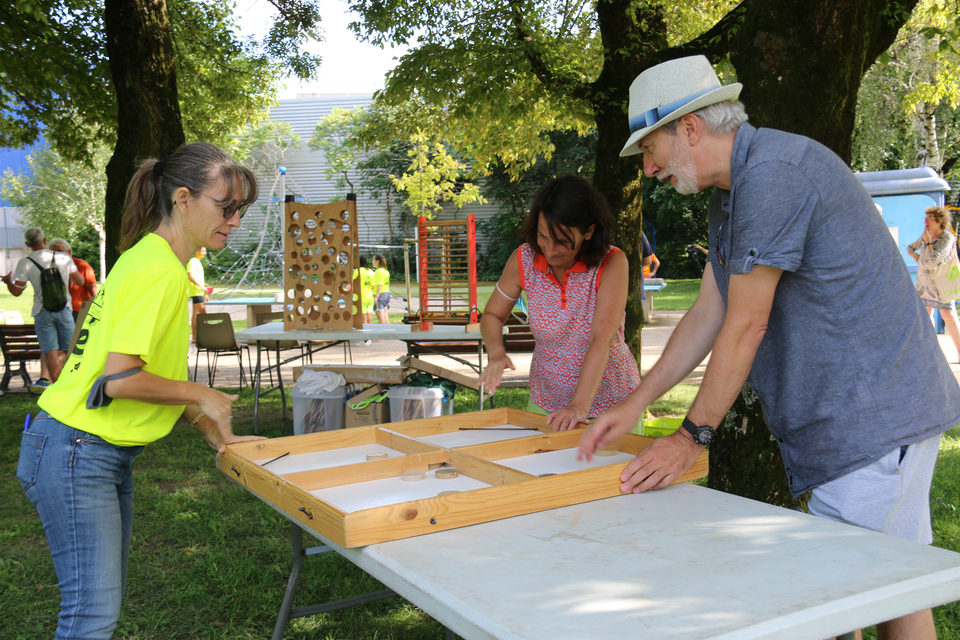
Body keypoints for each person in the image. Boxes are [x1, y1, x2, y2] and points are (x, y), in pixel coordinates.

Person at [579, 55, 959, 640]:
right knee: (881, 587)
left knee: (856, 594)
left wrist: (691, 438)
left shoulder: (776, 175)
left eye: (649, 149)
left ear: (689, 128)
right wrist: (637, 399)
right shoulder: (731, 193)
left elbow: (746, 326)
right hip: (856, 422)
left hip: (873, 420)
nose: (648, 168)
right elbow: (711, 311)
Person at [15, 142, 265, 640]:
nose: (235, 220)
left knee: (95, 609)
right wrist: (202, 394)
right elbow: (120, 380)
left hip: (85, 451)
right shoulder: (157, 269)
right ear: (183, 198)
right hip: (77, 452)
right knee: (90, 618)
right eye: (227, 205)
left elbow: (139, 375)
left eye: (241, 210)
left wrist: (208, 427)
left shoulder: (152, 260)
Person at [480, 175, 639, 432]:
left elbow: (601, 340)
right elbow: (492, 315)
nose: (550, 250)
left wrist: (578, 407)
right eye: (543, 237)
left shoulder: (612, 262)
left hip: (611, 407)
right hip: (547, 404)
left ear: (589, 232)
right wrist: (497, 354)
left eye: (563, 242)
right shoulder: (524, 259)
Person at [1, 227, 85, 390]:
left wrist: (8, 282)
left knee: (51, 352)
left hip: (42, 312)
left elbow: (17, 292)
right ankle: (68, 387)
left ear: (27, 243)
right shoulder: (62, 257)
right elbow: (81, 282)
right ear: (45, 240)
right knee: (67, 351)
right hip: (65, 309)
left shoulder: (25, 263)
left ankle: (57, 389)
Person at [908, 205, 960, 361]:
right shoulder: (927, 235)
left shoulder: (947, 238)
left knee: (948, 315)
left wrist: (929, 243)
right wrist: (918, 259)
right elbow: (910, 248)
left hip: (941, 283)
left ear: (940, 221)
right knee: (926, 314)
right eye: (925, 218)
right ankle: (932, 353)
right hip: (924, 283)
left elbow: (932, 262)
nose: (926, 221)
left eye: (929, 218)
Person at [48, 238, 99, 322]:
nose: (57, 256)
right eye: (53, 253)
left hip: (79, 310)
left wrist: (98, 309)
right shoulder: (49, 269)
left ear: (69, 251)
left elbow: (93, 289)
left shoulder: (82, 265)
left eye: (60, 251)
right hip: (59, 310)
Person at [187, 247, 208, 342]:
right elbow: (190, 275)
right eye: (202, 251)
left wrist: (205, 292)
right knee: (204, 315)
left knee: (196, 315)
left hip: (199, 292)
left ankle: (195, 337)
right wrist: (200, 287)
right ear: (197, 251)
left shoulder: (198, 262)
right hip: (196, 291)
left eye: (205, 251)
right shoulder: (193, 261)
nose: (204, 253)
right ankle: (208, 335)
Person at [373, 253, 391, 324]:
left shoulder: (379, 271)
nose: (372, 262)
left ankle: (382, 331)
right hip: (386, 293)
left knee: (381, 317)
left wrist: (376, 297)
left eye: (373, 260)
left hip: (381, 294)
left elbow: (380, 284)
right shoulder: (385, 271)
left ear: (377, 261)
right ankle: (388, 331)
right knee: (385, 315)